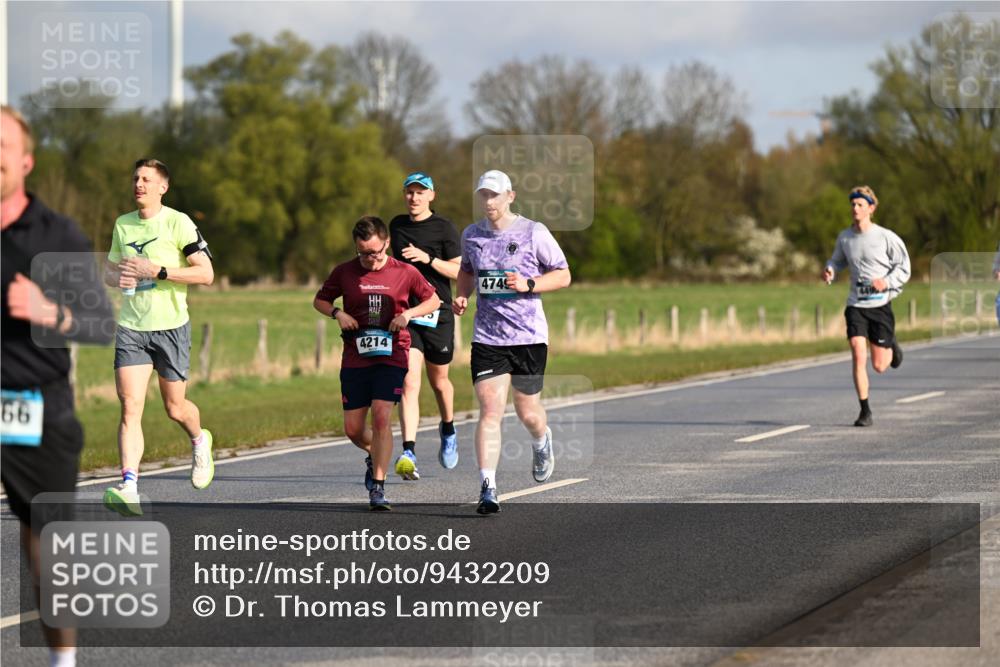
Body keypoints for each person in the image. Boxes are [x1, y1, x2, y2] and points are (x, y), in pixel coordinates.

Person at [1, 104, 115, 667]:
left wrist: (50, 312)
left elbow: (99, 322)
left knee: (45, 546)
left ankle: (62, 662)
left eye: (2, 146)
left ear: (25, 160)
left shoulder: (56, 235)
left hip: (33, 406)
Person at [452, 170, 571, 514]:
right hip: (488, 338)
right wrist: (461, 296)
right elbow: (466, 272)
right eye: (483, 195)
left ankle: (541, 439)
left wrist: (529, 285)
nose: (488, 202)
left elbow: (563, 274)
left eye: (494, 195)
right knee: (490, 411)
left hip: (528, 336)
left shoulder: (534, 232)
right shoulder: (472, 236)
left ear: (510, 196)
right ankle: (488, 486)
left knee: (528, 411)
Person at [102, 159, 215, 516]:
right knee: (130, 406)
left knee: (174, 407)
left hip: (170, 326)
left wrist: (158, 271)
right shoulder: (123, 224)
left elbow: (206, 274)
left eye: (147, 179)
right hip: (132, 327)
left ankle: (200, 440)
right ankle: (130, 486)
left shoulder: (178, 222)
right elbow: (110, 269)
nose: (139, 184)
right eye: (135, 178)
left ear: (162, 187)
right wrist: (116, 277)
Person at [313, 216, 440, 510]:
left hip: (392, 353)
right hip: (356, 357)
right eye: (363, 253)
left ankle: (378, 488)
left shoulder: (405, 272)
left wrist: (408, 315)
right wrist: (337, 313)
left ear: (386, 243)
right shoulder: (345, 272)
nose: (369, 259)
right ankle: (376, 455)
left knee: (381, 417)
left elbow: (433, 301)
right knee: (353, 429)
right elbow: (319, 300)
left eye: (375, 252)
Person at [388, 172, 462, 481]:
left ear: (432, 195)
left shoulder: (444, 228)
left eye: (420, 192)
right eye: (409, 192)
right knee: (408, 382)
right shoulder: (397, 225)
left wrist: (427, 258)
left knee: (440, 382)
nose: (414, 198)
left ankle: (448, 428)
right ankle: (408, 451)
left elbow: (458, 271)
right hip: (408, 314)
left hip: (439, 313)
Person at [823, 185, 910, 428]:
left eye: (860, 204)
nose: (855, 208)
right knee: (857, 353)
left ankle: (891, 342)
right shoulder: (845, 237)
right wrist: (830, 269)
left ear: (871, 208)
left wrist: (887, 282)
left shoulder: (885, 236)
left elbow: (904, 267)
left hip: (880, 306)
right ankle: (865, 411)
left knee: (880, 366)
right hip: (856, 305)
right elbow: (837, 261)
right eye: (852, 204)